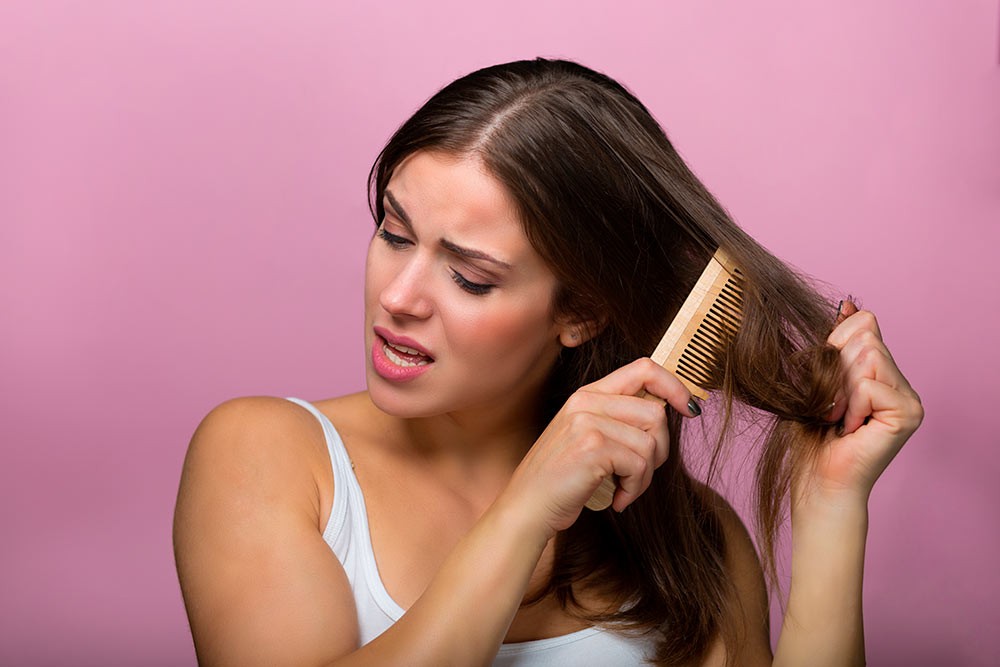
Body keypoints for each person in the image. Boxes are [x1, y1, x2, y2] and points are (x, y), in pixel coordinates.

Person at [173, 58, 923, 666]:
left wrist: (830, 509)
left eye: (469, 276)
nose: (398, 297)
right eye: (394, 233)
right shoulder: (266, 454)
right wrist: (526, 510)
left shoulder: (693, 544)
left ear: (581, 310)